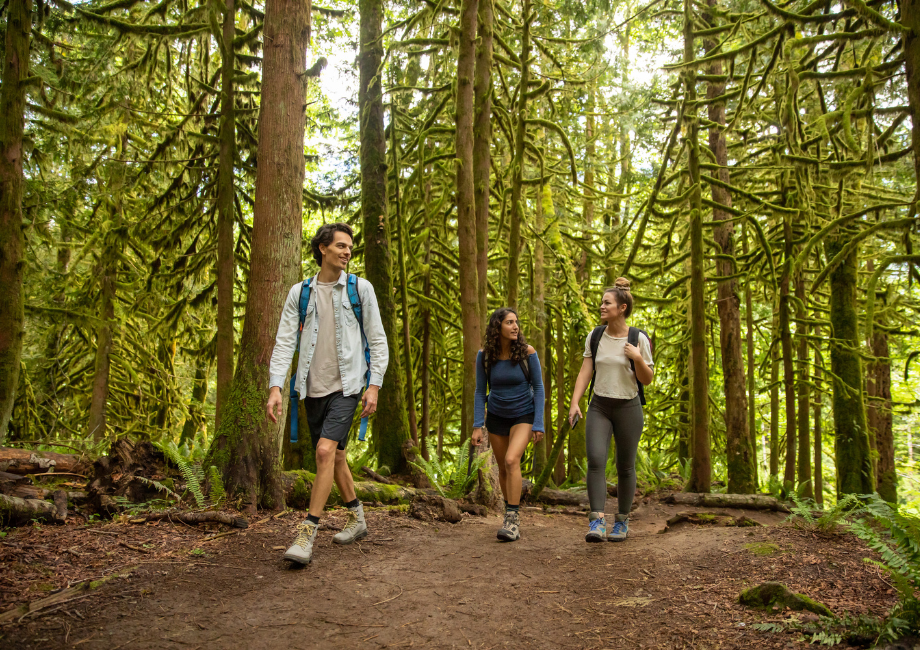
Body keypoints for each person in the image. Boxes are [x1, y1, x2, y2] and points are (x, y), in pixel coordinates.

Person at [267, 223, 389, 565]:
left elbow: (377, 340)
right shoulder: (300, 293)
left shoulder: (360, 289)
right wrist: (276, 386)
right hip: (311, 387)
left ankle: (307, 533)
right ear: (323, 248)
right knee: (335, 457)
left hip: (348, 386)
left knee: (323, 452)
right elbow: (284, 341)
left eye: (350, 247)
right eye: (340, 246)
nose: (347, 251)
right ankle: (357, 517)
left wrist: (374, 385)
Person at [568, 278, 654, 543]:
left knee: (625, 466)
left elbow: (647, 379)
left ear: (622, 307)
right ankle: (596, 521)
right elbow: (586, 371)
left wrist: (637, 357)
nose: (601, 306)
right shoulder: (595, 336)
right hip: (599, 406)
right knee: (595, 460)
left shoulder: (637, 338)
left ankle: (622, 522)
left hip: (629, 406)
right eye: (602, 302)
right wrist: (575, 402)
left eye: (607, 303)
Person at [472, 308, 545, 542]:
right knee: (503, 467)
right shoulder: (485, 356)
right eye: (509, 322)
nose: (515, 326)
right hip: (495, 416)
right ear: (498, 327)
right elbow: (479, 391)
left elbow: (540, 388)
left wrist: (539, 424)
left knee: (512, 460)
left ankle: (512, 520)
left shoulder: (527, 352)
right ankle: (509, 511)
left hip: (523, 414)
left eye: (516, 322)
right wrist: (477, 425)